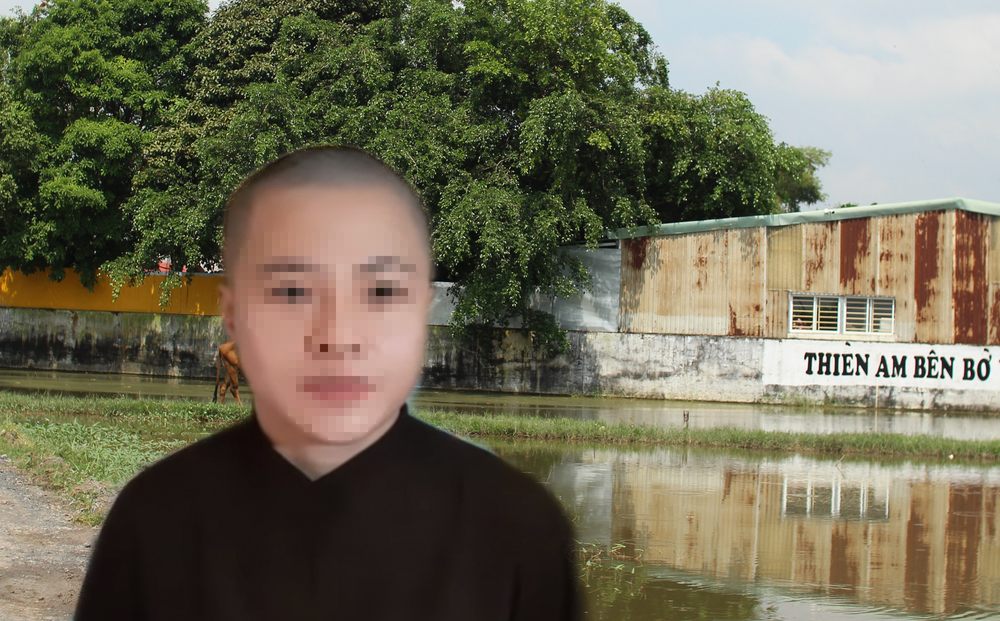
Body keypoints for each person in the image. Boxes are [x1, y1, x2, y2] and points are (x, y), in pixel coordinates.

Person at [74, 146, 580, 620]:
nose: (337, 337)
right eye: (293, 291)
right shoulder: (155, 519)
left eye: (381, 292)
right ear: (234, 313)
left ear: (421, 310)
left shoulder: (517, 526)